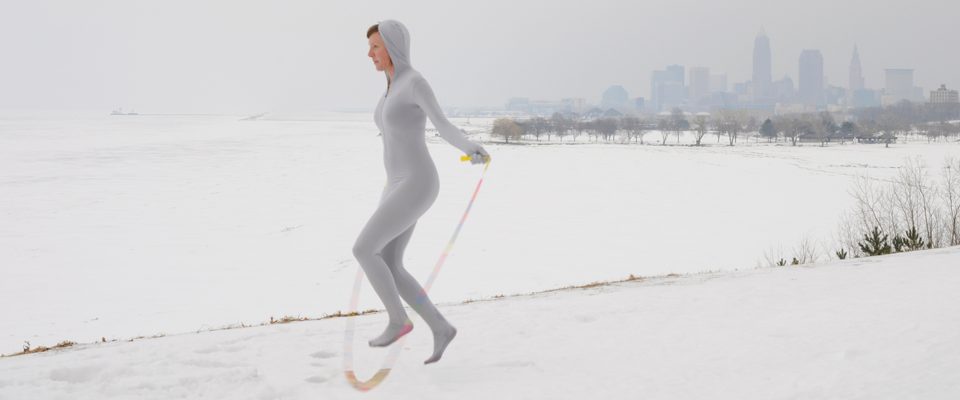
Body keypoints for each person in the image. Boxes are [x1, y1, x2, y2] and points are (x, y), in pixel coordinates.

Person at [355, 19, 489, 365]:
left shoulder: (414, 83)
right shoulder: (389, 87)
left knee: (364, 249)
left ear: (392, 45)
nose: (369, 53)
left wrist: (470, 146)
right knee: (389, 262)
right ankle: (441, 327)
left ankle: (399, 320)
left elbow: (441, 124)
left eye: (375, 46)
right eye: (369, 47)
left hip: (417, 181)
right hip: (395, 183)